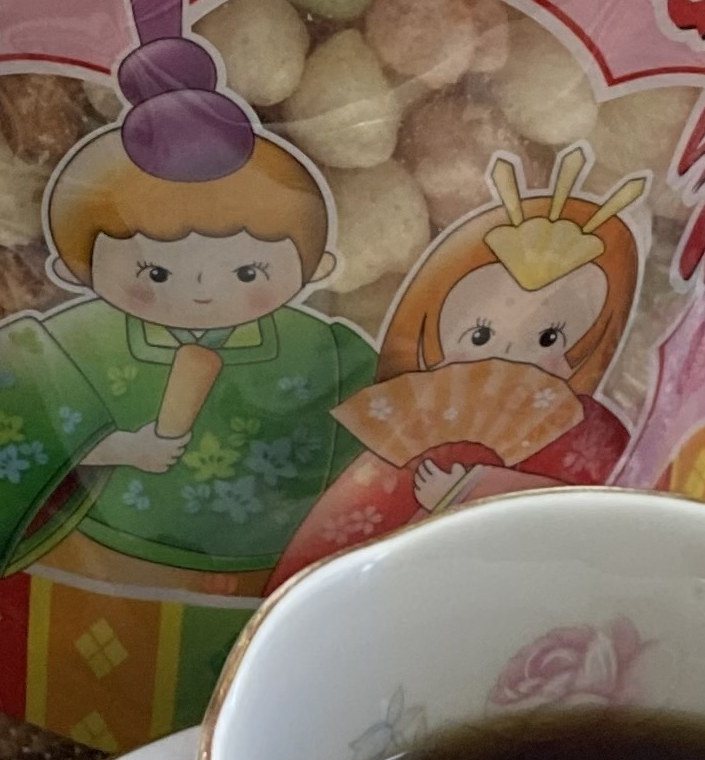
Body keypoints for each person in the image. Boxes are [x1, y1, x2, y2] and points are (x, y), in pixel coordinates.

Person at [0, 0, 371, 596]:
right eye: (155, 271)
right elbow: (2, 413)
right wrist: (117, 446)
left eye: (246, 271)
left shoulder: (316, 343)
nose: (201, 289)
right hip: (103, 545)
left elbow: (385, 402)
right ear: (72, 270)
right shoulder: (70, 338)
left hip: (288, 562)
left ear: (319, 268)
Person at [268, 147, 645, 586]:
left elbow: (595, 513)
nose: (505, 357)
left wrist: (467, 491)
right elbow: (347, 524)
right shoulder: (405, 427)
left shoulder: (582, 426)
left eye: (549, 338)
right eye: (479, 336)